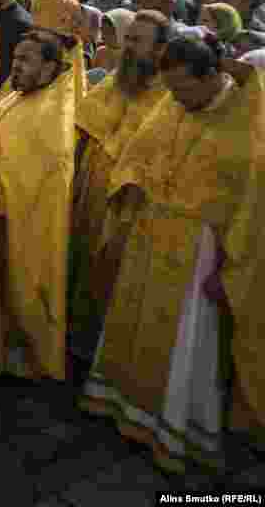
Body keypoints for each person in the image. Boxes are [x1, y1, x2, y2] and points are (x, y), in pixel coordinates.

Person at [80, 35, 265, 473]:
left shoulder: (250, 123)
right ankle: (126, 408)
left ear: (212, 76)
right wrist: (128, 189)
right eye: (172, 90)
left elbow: (251, 212)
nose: (176, 99)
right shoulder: (176, 101)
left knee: (185, 346)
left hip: (200, 253)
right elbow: (141, 149)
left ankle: (173, 431)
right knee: (135, 327)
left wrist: (227, 269)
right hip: (148, 236)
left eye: (184, 89)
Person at [69, 10, 174, 363]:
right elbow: (85, 120)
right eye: (128, 39)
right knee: (83, 262)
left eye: (138, 41)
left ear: (160, 50)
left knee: (113, 277)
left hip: (128, 204)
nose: (128, 47)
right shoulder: (117, 79)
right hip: (91, 188)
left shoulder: (170, 97)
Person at [0, 27, 76, 381]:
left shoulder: (51, 117)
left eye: (25, 60)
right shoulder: (17, 95)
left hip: (17, 223)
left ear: (50, 68)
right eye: (15, 58)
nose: (15, 66)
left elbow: (34, 180)